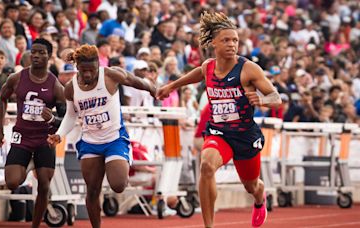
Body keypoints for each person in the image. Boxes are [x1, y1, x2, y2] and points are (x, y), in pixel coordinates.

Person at [157, 11, 281, 228]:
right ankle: (208, 225)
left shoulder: (248, 69)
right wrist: (171, 86)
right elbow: (198, 73)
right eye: (226, 40)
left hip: (245, 136)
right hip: (219, 132)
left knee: (251, 186)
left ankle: (260, 199)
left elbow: (276, 98)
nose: (232, 44)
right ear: (213, 43)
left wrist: (261, 100)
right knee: (206, 166)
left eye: (235, 40)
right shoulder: (209, 67)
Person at [47, 44, 156, 227]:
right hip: (90, 141)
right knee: (92, 190)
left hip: (114, 139)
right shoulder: (71, 88)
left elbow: (133, 80)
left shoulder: (110, 75)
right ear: (77, 68)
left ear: (98, 64)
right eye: (83, 70)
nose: (88, 74)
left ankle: (118, 162)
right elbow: (71, 116)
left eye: (91, 70)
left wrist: (151, 87)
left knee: (118, 185)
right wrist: (59, 135)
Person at [0, 38, 65, 228]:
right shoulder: (17, 78)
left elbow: (66, 119)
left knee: (44, 185)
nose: (35, 55)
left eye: (41, 52)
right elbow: (1, 98)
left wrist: (52, 119)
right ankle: (27, 164)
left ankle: (35, 225)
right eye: (33, 51)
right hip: (22, 137)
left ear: (49, 56)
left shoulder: (55, 85)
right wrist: (0, 131)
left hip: (45, 139)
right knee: (12, 182)